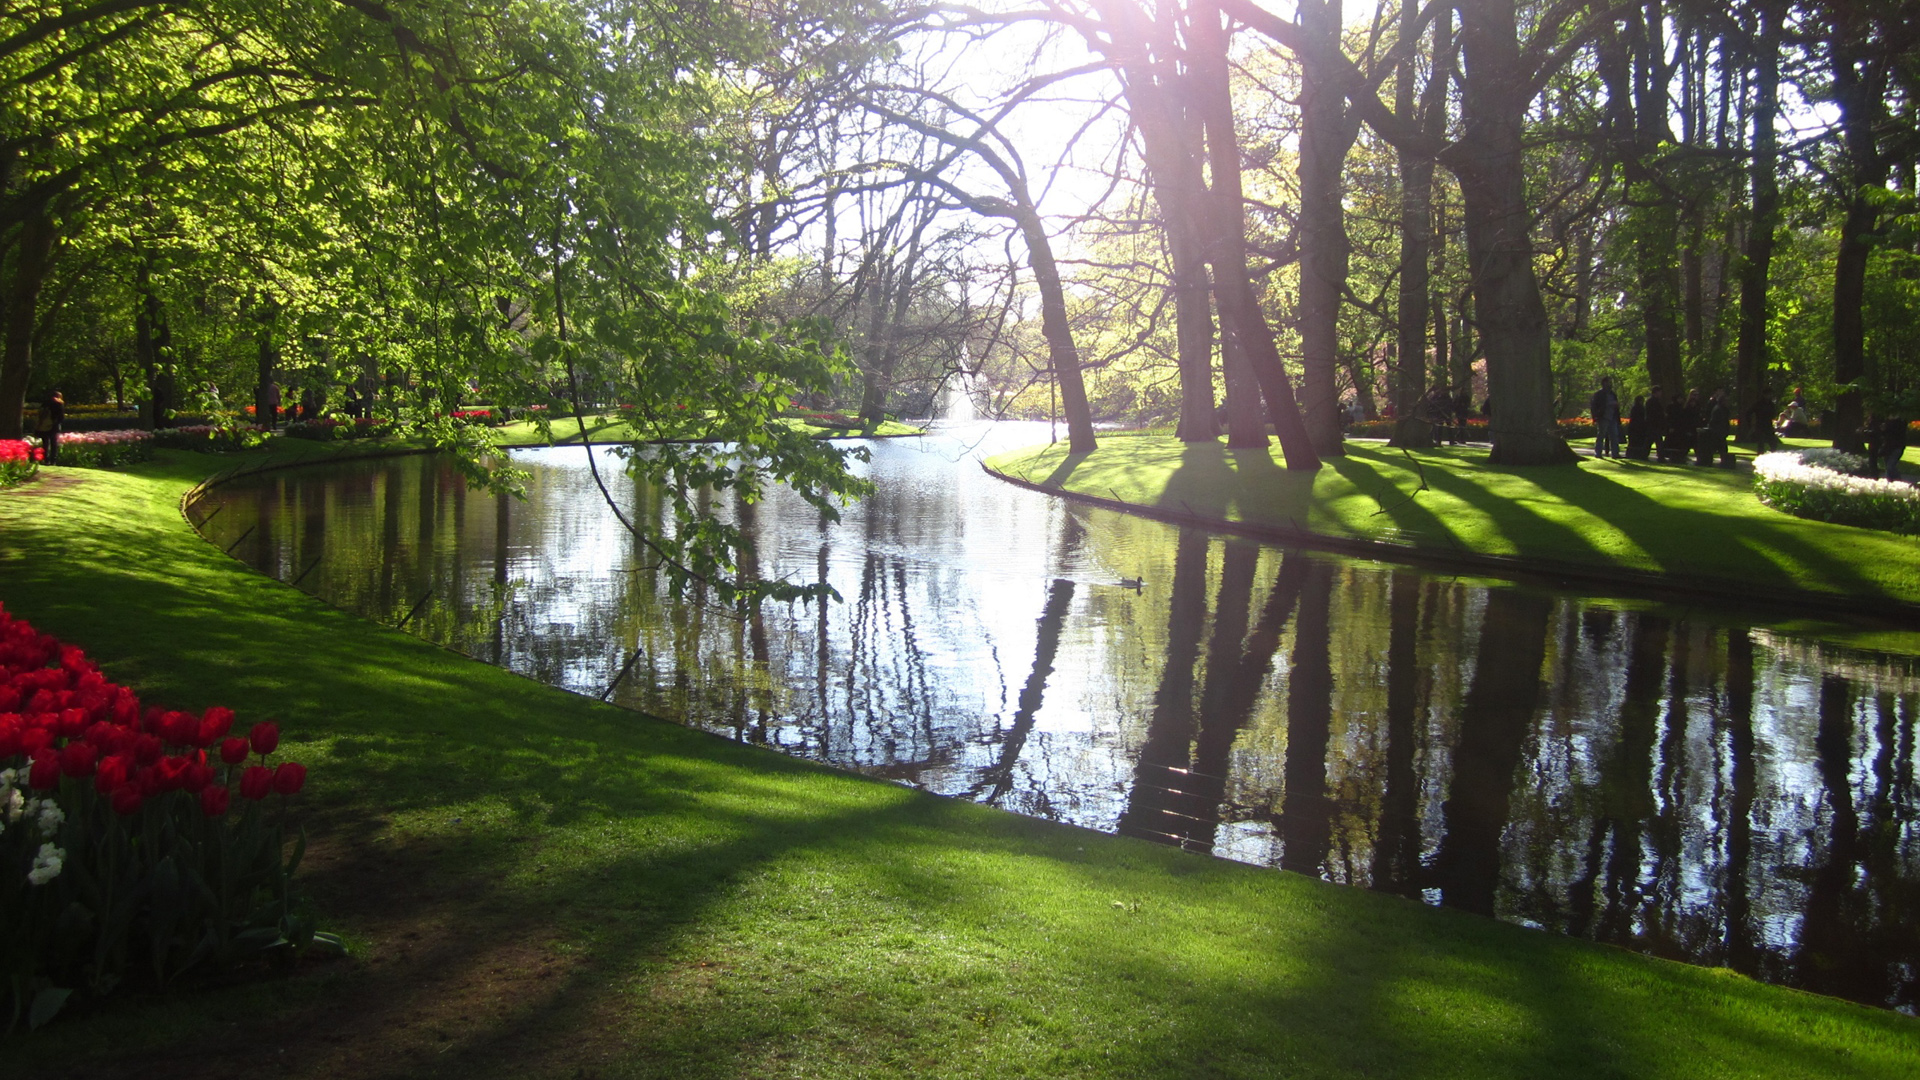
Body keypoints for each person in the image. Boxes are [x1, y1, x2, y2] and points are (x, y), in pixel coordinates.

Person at [1588, 376, 1622, 458]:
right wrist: (1595, 416)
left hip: (1612, 417)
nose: (1610, 384)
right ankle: (1598, 453)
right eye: (1608, 382)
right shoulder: (1599, 394)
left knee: (1614, 436)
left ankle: (1615, 453)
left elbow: (1616, 406)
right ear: (1604, 383)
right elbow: (1594, 406)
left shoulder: (1613, 394)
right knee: (1601, 435)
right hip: (1603, 417)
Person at [33, 388, 63, 465]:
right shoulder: (58, 403)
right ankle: (53, 460)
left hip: (43, 425)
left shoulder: (45, 403)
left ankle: (46, 459)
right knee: (54, 443)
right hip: (54, 426)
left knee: (45, 443)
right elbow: (61, 417)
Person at [1705, 389, 1733, 466]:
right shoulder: (1719, 409)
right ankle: (1722, 462)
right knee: (1720, 448)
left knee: (1720, 448)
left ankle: (1722, 462)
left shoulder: (1722, 409)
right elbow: (1715, 421)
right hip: (1718, 432)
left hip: (1720, 432)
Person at [1882, 414, 1909, 480]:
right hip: (1889, 447)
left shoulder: (1898, 424)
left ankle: (1897, 478)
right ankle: (1891, 480)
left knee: (1890, 466)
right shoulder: (1889, 423)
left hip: (1896, 447)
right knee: (1888, 466)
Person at [1644, 387, 1667, 461]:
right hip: (1654, 424)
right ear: (1656, 392)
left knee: (1651, 440)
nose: (1661, 394)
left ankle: (1644, 454)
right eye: (1659, 392)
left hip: (1652, 424)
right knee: (1657, 441)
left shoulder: (1651, 401)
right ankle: (1660, 457)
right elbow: (1655, 413)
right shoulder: (1653, 402)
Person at [1626, 394, 1651, 459]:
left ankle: (1631, 454)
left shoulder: (1634, 408)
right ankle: (1638, 454)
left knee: (1633, 442)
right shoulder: (1641, 408)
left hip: (1633, 427)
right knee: (1638, 441)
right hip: (1639, 427)